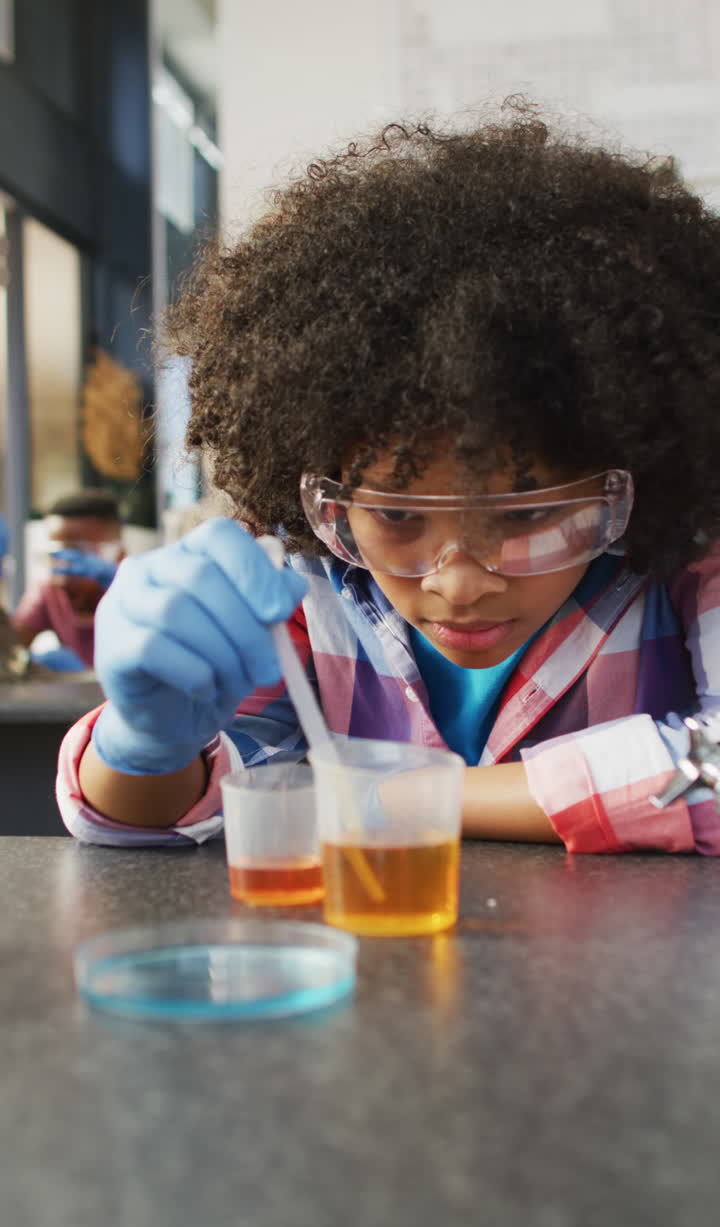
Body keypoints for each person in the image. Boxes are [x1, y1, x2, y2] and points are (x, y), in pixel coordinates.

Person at [57, 103, 720, 854]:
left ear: (621, 480)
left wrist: (400, 797)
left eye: (525, 517)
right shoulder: (303, 591)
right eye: (400, 518)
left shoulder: (685, 568)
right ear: (329, 495)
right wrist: (143, 745)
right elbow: (178, 812)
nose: (460, 584)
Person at [13, 489, 123, 670]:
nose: (65, 572)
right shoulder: (48, 592)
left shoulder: (137, 589)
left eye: (78, 553)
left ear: (117, 551)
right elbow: (13, 646)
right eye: (57, 555)